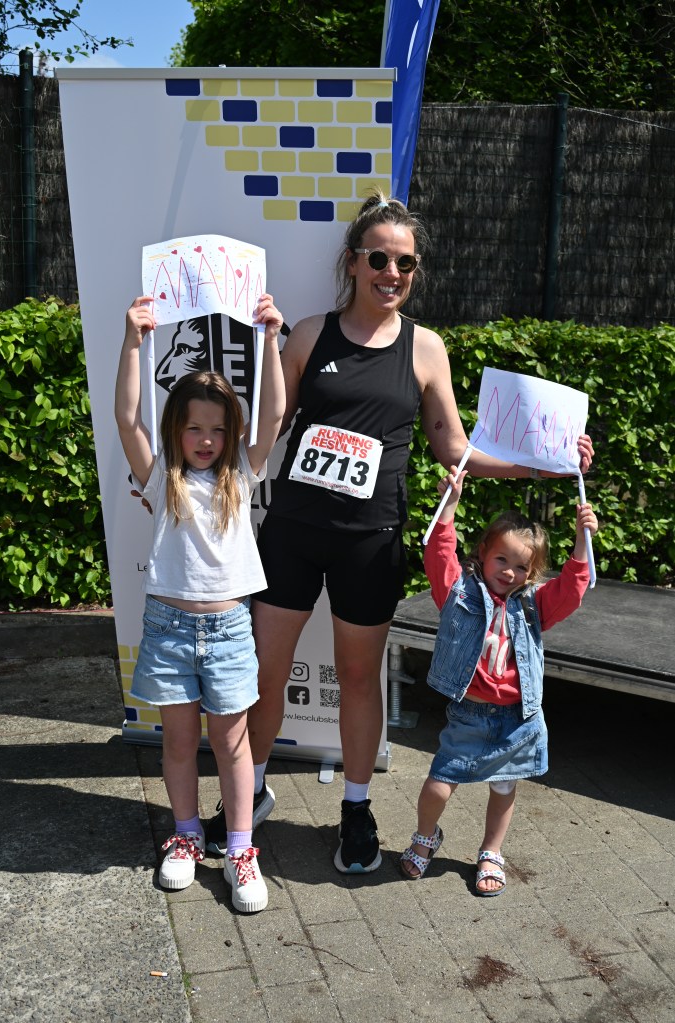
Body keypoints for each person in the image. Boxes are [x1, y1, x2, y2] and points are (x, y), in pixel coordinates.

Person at [205, 188, 594, 875]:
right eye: (380, 258)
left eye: (405, 263)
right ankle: (249, 794)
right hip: (293, 530)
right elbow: (267, 428)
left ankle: (356, 809)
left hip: (370, 539)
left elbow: (455, 448)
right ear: (353, 261)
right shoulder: (309, 335)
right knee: (264, 675)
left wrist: (547, 463)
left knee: (360, 678)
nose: (392, 273)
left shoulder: (425, 348)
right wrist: (198, 462)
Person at [114, 293, 285, 912]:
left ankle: (239, 849)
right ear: (176, 431)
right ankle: (185, 837)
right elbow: (127, 418)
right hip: (167, 628)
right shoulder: (161, 476)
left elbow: (274, 415)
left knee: (234, 745)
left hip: (231, 630)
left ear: (230, 433)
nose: (206, 440)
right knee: (179, 744)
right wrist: (133, 342)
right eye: (194, 428)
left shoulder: (242, 471)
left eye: (217, 429)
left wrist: (271, 340)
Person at [400, 468, 598, 894]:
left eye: (522, 566)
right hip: (469, 714)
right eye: (502, 560)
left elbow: (572, 589)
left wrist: (583, 540)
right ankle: (425, 836)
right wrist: (450, 505)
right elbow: (439, 555)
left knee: (505, 786)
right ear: (483, 554)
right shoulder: (459, 592)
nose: (509, 572)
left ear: (533, 572)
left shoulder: (534, 606)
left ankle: (491, 850)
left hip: (516, 717)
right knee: (439, 785)